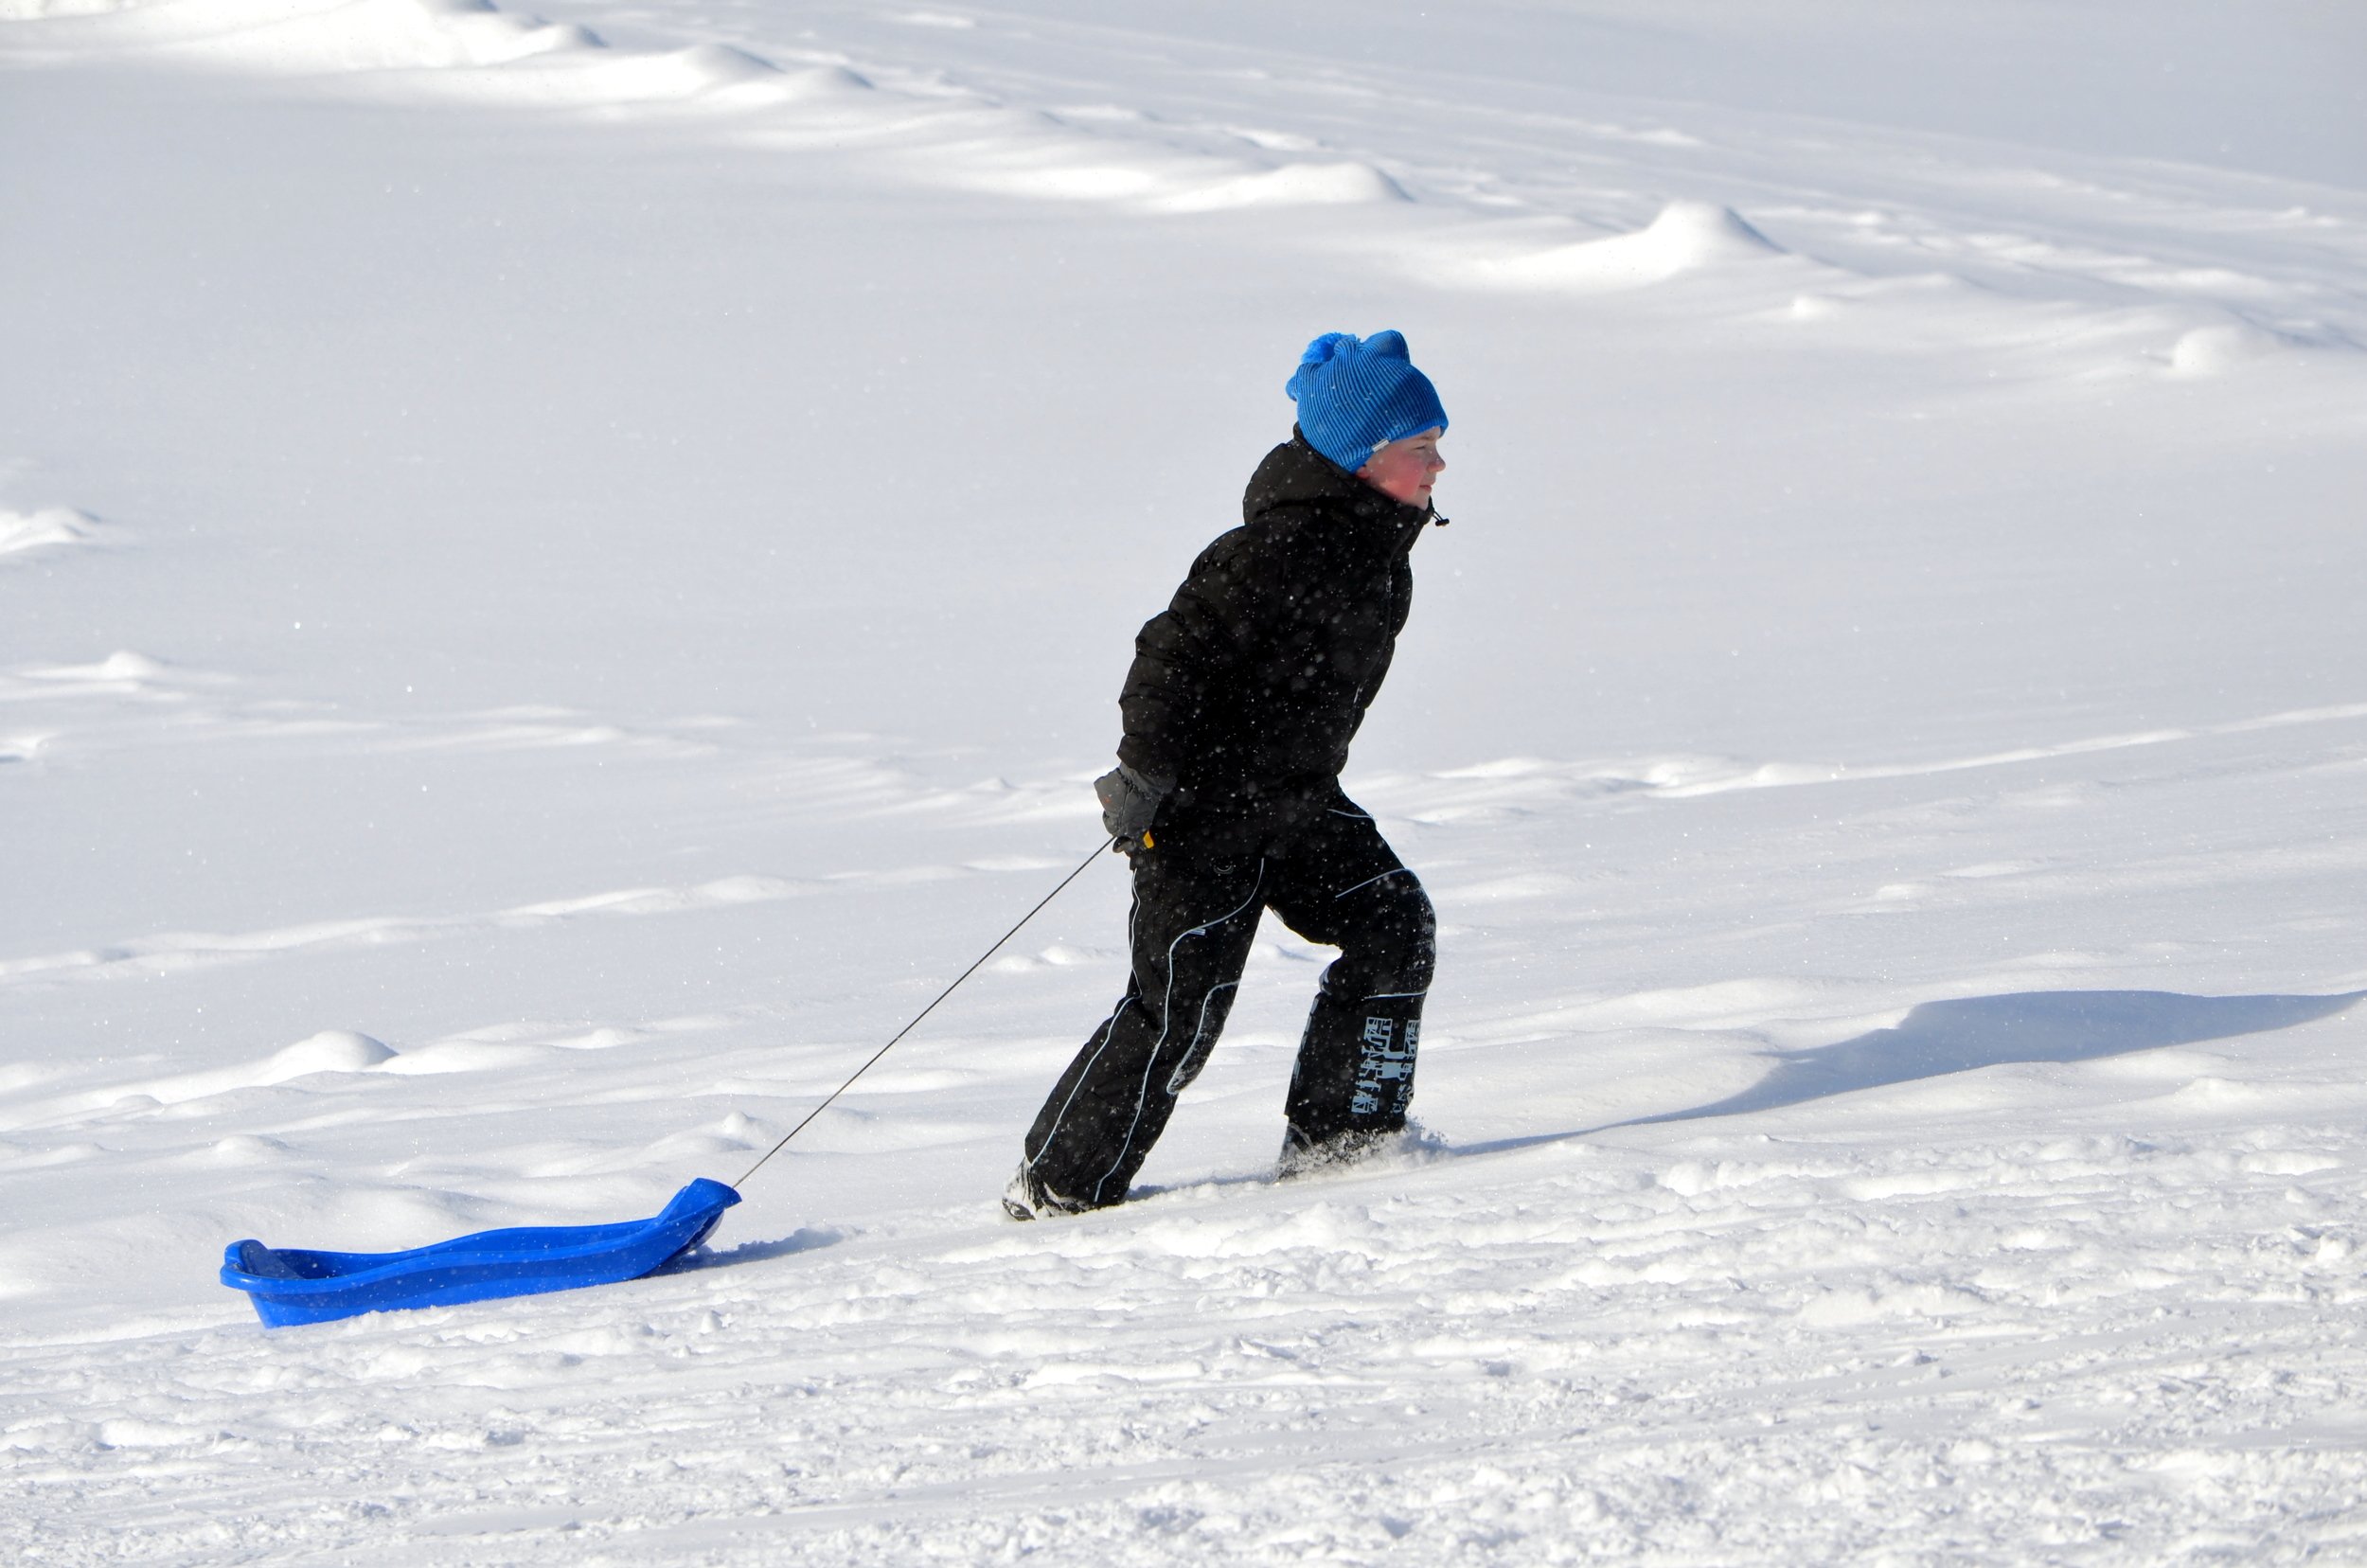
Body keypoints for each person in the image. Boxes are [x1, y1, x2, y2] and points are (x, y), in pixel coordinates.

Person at [1005, 330, 1450, 1220]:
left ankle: (1344, 1147)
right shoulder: (1271, 552)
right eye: (1419, 449)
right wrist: (1144, 777)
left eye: (1436, 446)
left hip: (1296, 804)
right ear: (1361, 459)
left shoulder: (1376, 551)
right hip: (1204, 815)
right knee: (1179, 1013)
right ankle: (1058, 1188)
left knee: (1393, 924)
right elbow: (1167, 661)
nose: (1438, 466)